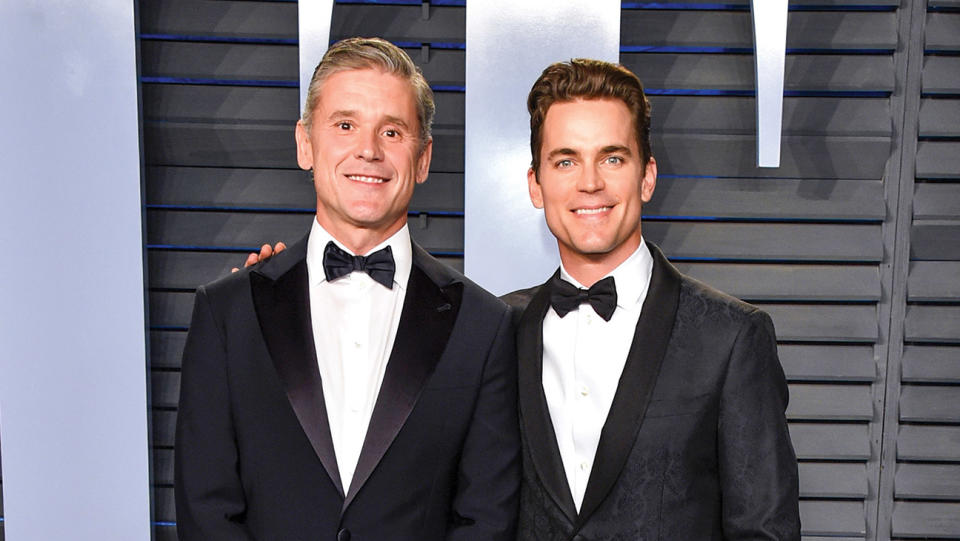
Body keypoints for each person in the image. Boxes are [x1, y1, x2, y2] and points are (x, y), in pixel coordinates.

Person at [174, 37, 520, 541]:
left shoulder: (483, 326)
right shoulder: (226, 313)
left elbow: (485, 519)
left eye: (393, 131)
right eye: (345, 125)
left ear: (423, 159)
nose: (368, 150)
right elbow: (206, 512)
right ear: (305, 144)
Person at [502, 58, 800, 539]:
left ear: (647, 177)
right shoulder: (497, 330)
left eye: (612, 158)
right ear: (536, 184)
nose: (590, 182)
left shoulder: (730, 337)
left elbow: (765, 532)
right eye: (566, 160)